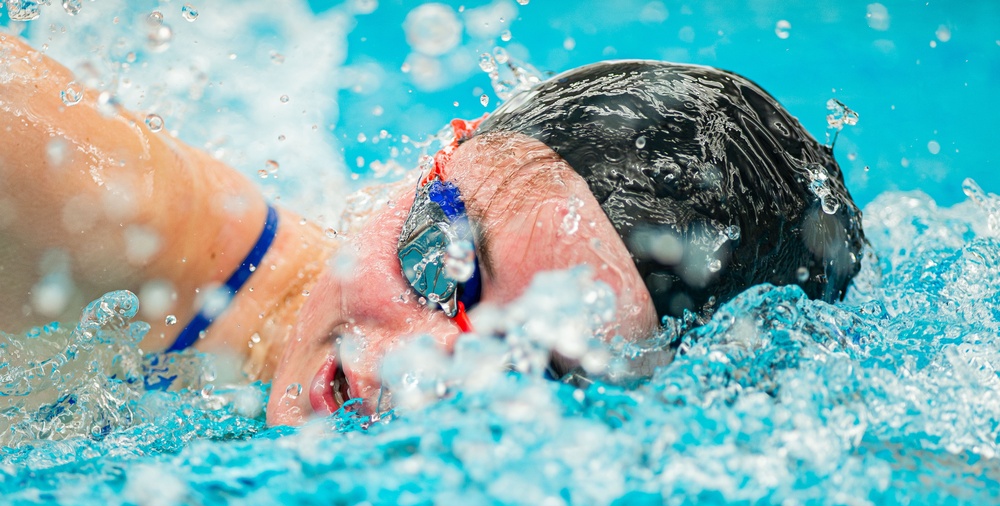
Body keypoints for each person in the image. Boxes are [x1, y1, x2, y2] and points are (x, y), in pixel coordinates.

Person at [0, 33, 865, 426]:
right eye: (442, 265)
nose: (409, 372)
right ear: (436, 157)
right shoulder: (80, 201)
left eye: (529, 369)